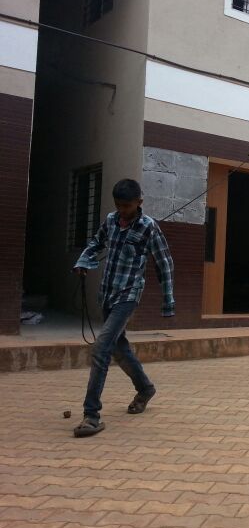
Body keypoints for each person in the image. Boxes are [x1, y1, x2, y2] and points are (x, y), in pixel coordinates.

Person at [71, 179, 174, 437]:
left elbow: (164, 263)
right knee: (118, 348)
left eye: (127, 206)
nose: (122, 210)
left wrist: (168, 302)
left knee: (101, 348)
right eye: (118, 205)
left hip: (128, 295)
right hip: (107, 294)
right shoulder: (111, 220)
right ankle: (145, 388)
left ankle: (91, 415)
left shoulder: (149, 227)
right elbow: (96, 243)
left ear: (139, 202)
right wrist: (83, 261)